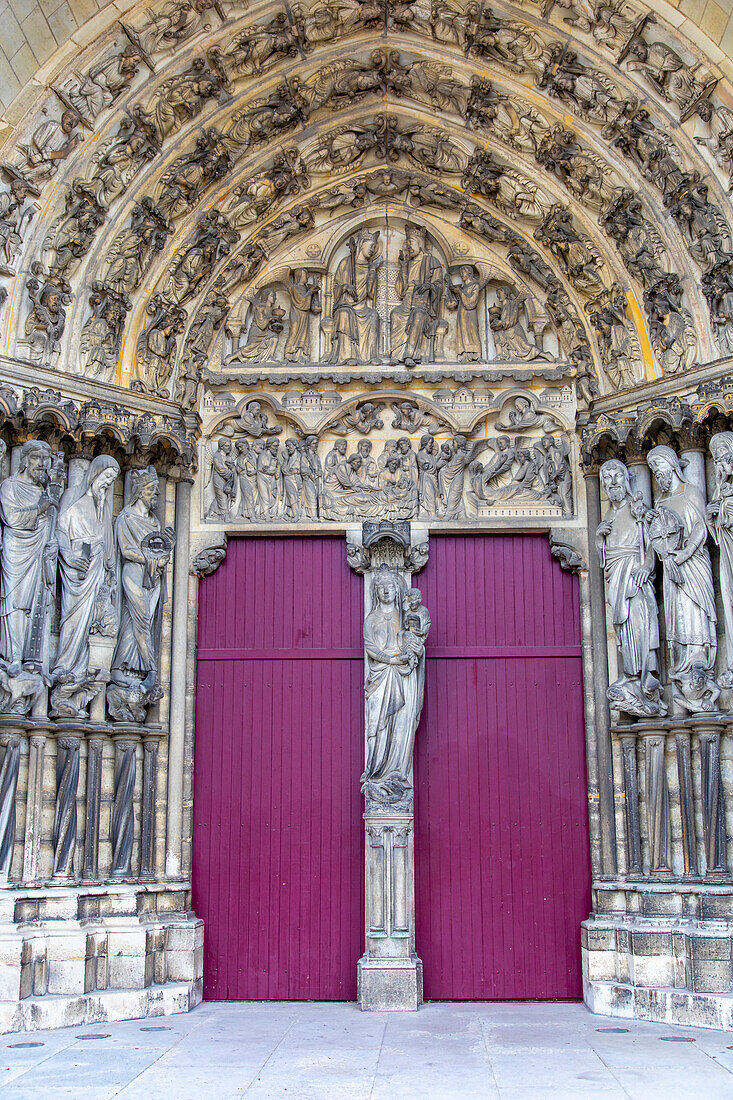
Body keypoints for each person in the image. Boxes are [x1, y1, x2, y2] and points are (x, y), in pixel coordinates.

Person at [53, 455, 120, 681]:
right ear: (95, 472)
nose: (108, 483)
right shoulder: (73, 494)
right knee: (72, 615)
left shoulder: (102, 503)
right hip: (76, 564)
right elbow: (60, 529)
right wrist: (69, 555)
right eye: (107, 476)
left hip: (96, 566)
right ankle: (64, 665)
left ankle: (82, 667)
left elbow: (104, 537)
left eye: (112, 480)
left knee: (91, 616)